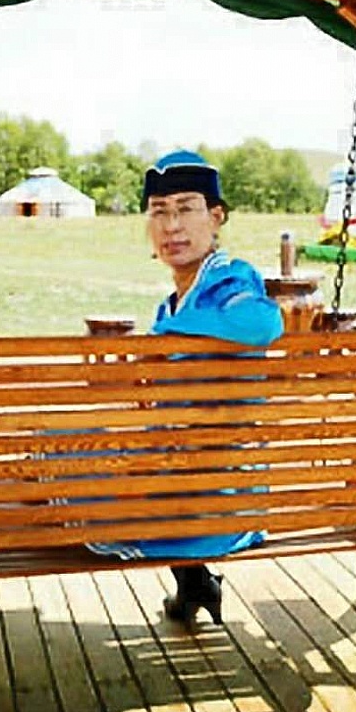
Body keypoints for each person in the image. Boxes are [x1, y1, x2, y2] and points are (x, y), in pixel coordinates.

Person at [86, 150, 284, 627]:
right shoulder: (172, 303)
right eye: (159, 211)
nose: (171, 225)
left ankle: (193, 578)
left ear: (216, 217)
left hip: (222, 501)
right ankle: (194, 583)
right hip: (194, 484)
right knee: (83, 447)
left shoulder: (229, 279)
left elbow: (262, 322)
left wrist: (163, 337)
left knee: (60, 462)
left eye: (186, 208)